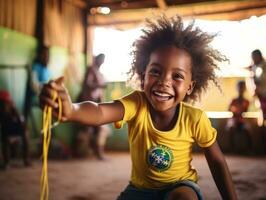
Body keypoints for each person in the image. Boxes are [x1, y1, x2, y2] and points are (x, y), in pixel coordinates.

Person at [39, 15, 237, 200]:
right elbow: (100, 112)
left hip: (179, 186)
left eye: (177, 76)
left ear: (190, 86)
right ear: (143, 78)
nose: (164, 82)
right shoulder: (136, 104)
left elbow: (217, 161)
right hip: (139, 190)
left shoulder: (195, 118)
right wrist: (71, 110)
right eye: (155, 72)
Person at [76, 53, 110, 160]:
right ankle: (93, 152)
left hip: (95, 104)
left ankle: (97, 152)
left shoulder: (99, 72)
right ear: (96, 59)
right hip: (87, 103)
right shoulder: (91, 69)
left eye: (103, 60)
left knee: (99, 128)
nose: (102, 62)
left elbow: (98, 92)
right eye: (101, 59)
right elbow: (87, 84)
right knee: (89, 128)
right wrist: (100, 85)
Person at [0, 90, 31, 169]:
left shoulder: (14, 111)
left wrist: (16, 112)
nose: (5, 105)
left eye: (7, 102)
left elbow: (22, 122)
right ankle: (6, 163)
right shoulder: (2, 113)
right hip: (6, 133)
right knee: (6, 139)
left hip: (15, 131)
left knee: (26, 134)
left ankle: (26, 160)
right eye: (3, 103)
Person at [24, 45, 51, 122]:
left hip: (45, 95)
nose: (46, 57)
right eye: (44, 55)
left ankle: (48, 130)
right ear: (39, 56)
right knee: (50, 103)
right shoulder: (35, 67)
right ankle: (46, 130)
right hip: (36, 97)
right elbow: (34, 86)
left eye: (47, 55)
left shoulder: (46, 69)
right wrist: (44, 89)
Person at [226, 81, 251, 153]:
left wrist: (237, 111)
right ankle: (232, 148)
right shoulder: (233, 100)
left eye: (242, 87)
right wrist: (236, 112)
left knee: (248, 130)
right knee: (231, 128)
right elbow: (229, 110)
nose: (241, 89)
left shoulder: (246, 101)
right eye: (240, 87)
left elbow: (245, 111)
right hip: (234, 120)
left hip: (241, 120)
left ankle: (249, 149)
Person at [250, 49, 266, 122]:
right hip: (261, 95)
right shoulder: (255, 67)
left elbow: (259, 80)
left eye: (254, 57)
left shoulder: (262, 67)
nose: (253, 59)